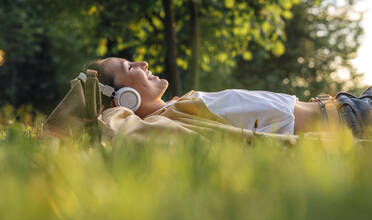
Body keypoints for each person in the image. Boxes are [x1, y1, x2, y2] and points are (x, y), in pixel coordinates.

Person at [87, 57, 372, 138]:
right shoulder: (166, 123)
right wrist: (92, 94)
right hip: (351, 120)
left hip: (349, 103)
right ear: (124, 99)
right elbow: (110, 122)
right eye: (129, 68)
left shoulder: (177, 105)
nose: (143, 64)